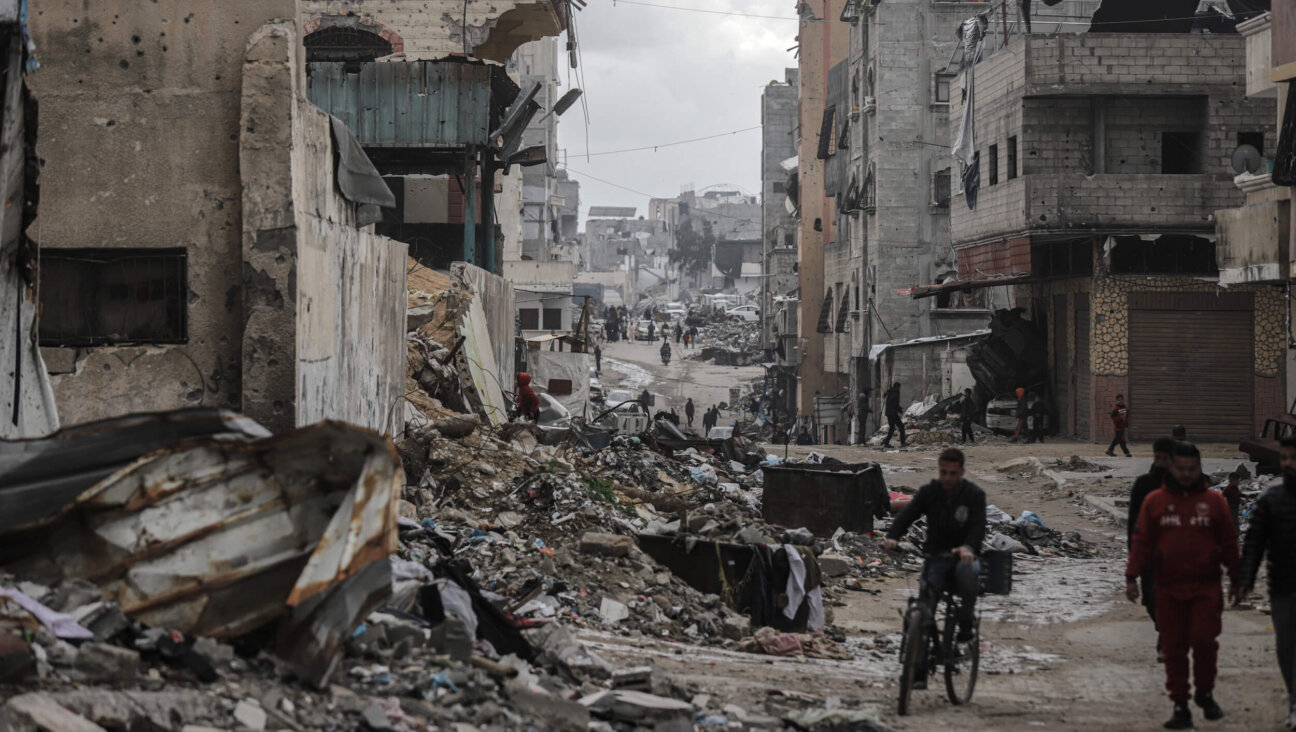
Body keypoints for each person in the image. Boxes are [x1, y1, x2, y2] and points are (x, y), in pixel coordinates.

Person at [1126, 441, 1238, 730]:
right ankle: (1180, 705)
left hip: (1205, 587)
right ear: (1171, 468)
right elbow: (1142, 541)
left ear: (1199, 468)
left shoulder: (1214, 503)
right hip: (1167, 587)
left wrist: (1238, 578)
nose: (1186, 474)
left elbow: (1228, 542)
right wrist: (1132, 577)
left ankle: (1204, 692)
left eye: (1192, 469)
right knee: (1174, 648)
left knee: (1204, 642)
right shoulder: (1155, 502)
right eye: (1181, 468)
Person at [884, 448, 986, 647]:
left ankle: (966, 622)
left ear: (962, 473)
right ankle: (917, 663)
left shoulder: (974, 495)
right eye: (943, 473)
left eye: (953, 473)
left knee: (969, 574)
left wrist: (968, 547)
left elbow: (978, 527)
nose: (947, 478)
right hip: (936, 556)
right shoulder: (929, 492)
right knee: (924, 605)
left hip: (963, 558)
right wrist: (892, 537)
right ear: (939, 471)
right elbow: (908, 514)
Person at [1236, 435, 1296, 731]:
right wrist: (1245, 579)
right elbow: (1254, 543)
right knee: (1286, 648)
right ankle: (1295, 700)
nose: (1288, 463)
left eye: (1293, 458)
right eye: (1284, 457)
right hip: (1283, 588)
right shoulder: (1271, 499)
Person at [1128, 437, 1177, 660]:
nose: (1160, 462)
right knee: (1150, 599)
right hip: (1149, 552)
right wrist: (1132, 552)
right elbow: (1133, 521)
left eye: (1165, 459)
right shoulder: (1144, 484)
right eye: (1157, 458)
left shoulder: (1183, 484)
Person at [882, 382, 907, 448]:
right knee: (901, 427)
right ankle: (903, 443)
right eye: (899, 387)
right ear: (897, 387)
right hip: (893, 413)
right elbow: (895, 404)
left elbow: (891, 402)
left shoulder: (889, 392)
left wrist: (899, 408)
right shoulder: (896, 393)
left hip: (888, 413)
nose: (899, 389)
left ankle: (886, 442)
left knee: (892, 428)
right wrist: (900, 410)